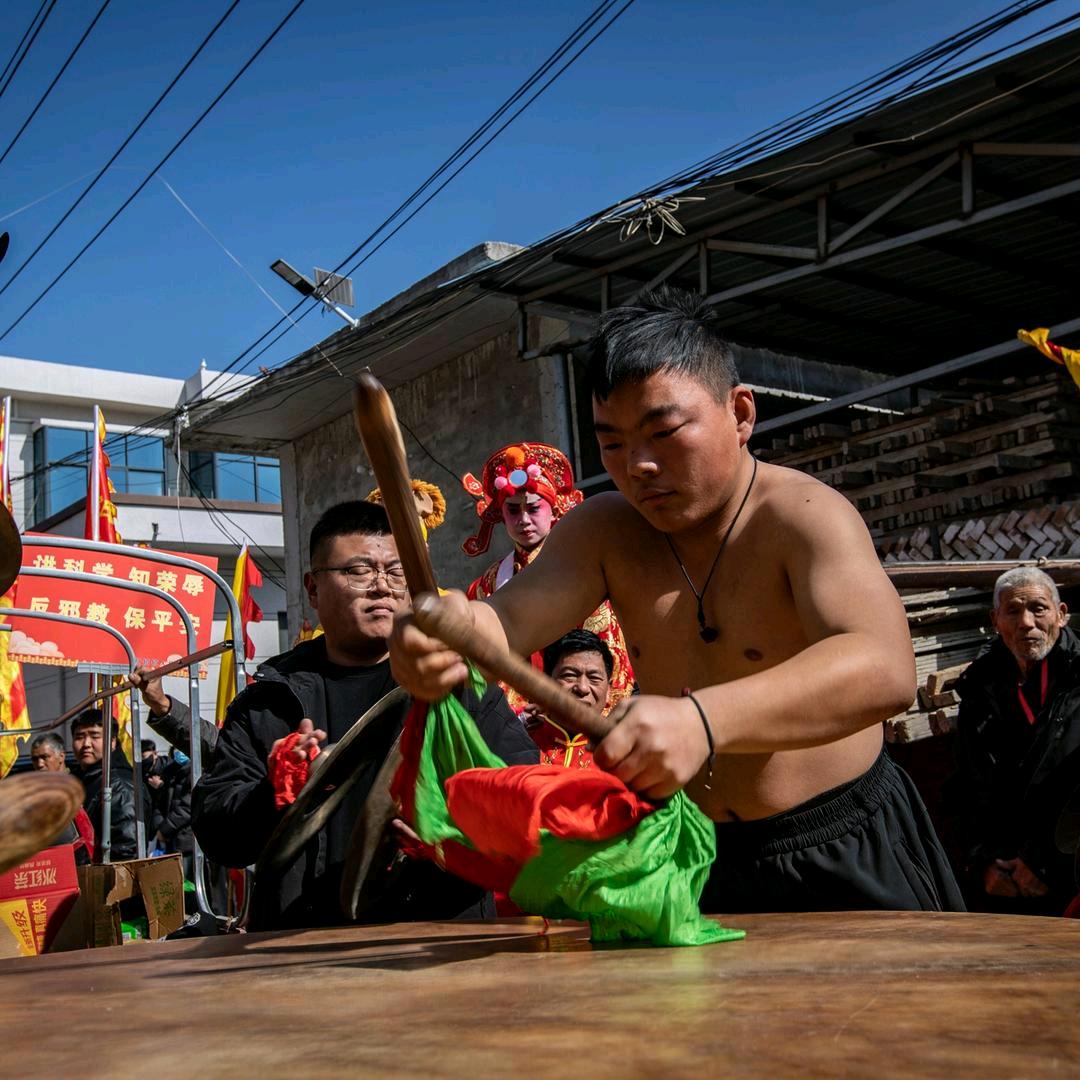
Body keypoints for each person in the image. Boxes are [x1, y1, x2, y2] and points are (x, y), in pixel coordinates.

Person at [392, 286, 964, 914]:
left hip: (842, 843)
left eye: (663, 432)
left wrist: (703, 721)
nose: (637, 465)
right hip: (693, 855)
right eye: (611, 443)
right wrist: (446, 632)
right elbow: (506, 619)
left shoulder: (804, 515)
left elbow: (884, 668)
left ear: (741, 413)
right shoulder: (605, 530)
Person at [191, 500, 537, 931]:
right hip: (300, 946)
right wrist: (272, 793)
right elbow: (218, 836)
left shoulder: (458, 684)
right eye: (359, 571)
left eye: (395, 572)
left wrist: (457, 825)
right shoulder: (269, 700)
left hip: (438, 938)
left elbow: (526, 795)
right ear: (313, 589)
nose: (382, 587)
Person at [462, 442, 634, 712]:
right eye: (513, 510)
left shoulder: (580, 566)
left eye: (533, 508)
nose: (524, 520)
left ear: (553, 509)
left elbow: (604, 650)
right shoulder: (488, 583)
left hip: (576, 711)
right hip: (513, 719)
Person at [951, 567, 1080, 915]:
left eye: (1038, 608)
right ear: (995, 620)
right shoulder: (979, 690)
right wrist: (982, 864)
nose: (1026, 622)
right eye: (1013, 611)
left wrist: (1041, 862)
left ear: (1061, 615)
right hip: (1005, 884)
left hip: (1070, 873)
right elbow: (966, 787)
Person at [520, 630, 613, 769]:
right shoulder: (518, 739)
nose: (582, 688)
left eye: (594, 678)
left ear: (608, 692)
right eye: (569, 675)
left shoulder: (621, 757)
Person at [70, 709, 142, 863]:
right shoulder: (80, 780)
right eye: (79, 737)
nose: (86, 744)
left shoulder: (119, 785)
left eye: (95, 736)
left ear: (113, 741)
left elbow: (127, 849)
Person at [30, 731, 95, 862]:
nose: (40, 764)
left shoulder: (80, 785)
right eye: (35, 759)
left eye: (45, 757)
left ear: (61, 757)